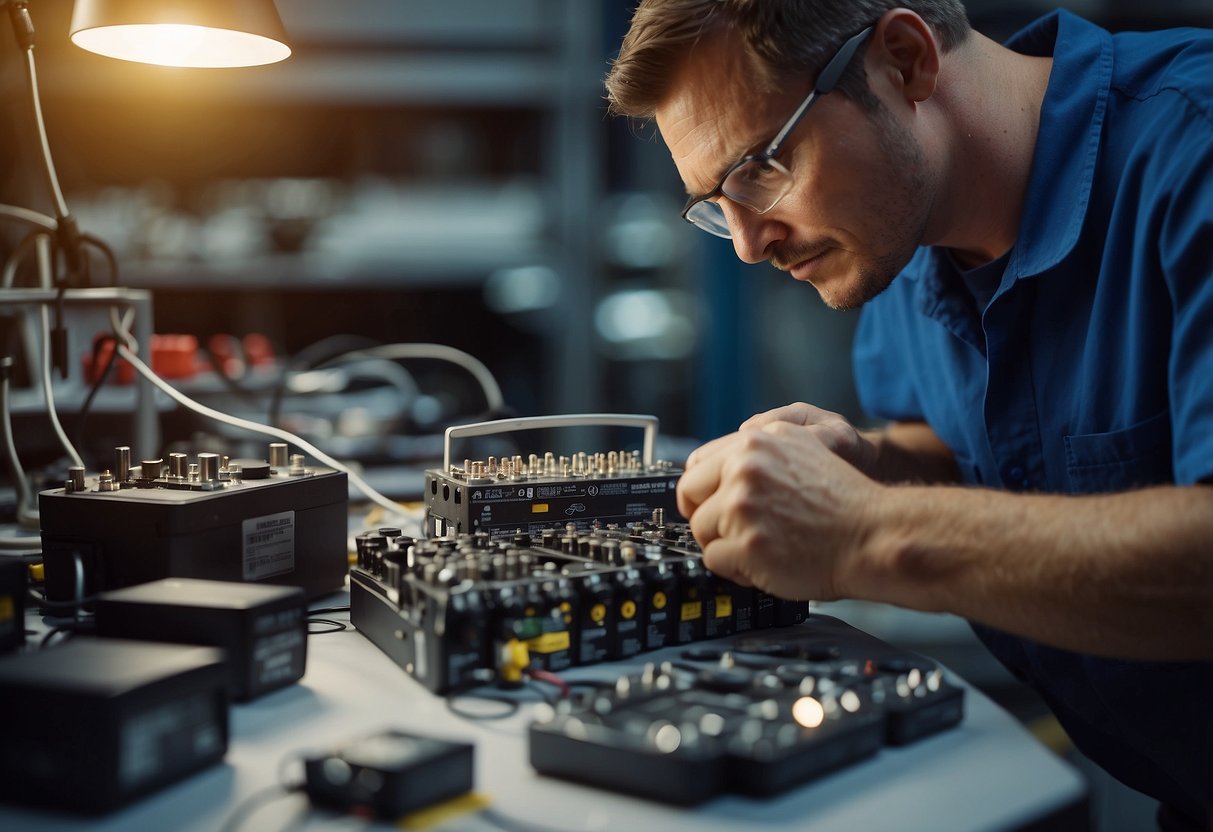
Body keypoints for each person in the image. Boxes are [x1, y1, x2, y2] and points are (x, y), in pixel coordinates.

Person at [605, 1, 1213, 829]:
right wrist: (870, 464)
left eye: (760, 167)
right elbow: (971, 447)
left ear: (903, 59)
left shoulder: (1194, 151)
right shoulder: (901, 234)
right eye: (717, 200)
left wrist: (865, 531)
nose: (748, 243)